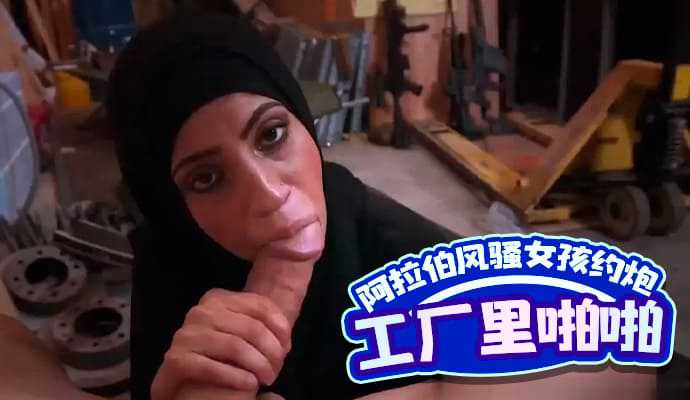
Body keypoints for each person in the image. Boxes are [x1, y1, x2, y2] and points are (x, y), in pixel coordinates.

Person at [106, 13, 657, 400]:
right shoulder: (166, 263)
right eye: (206, 179)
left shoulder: (369, 226)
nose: (270, 196)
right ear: (170, 207)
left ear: (304, 126)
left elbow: (619, 356)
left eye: (271, 135)